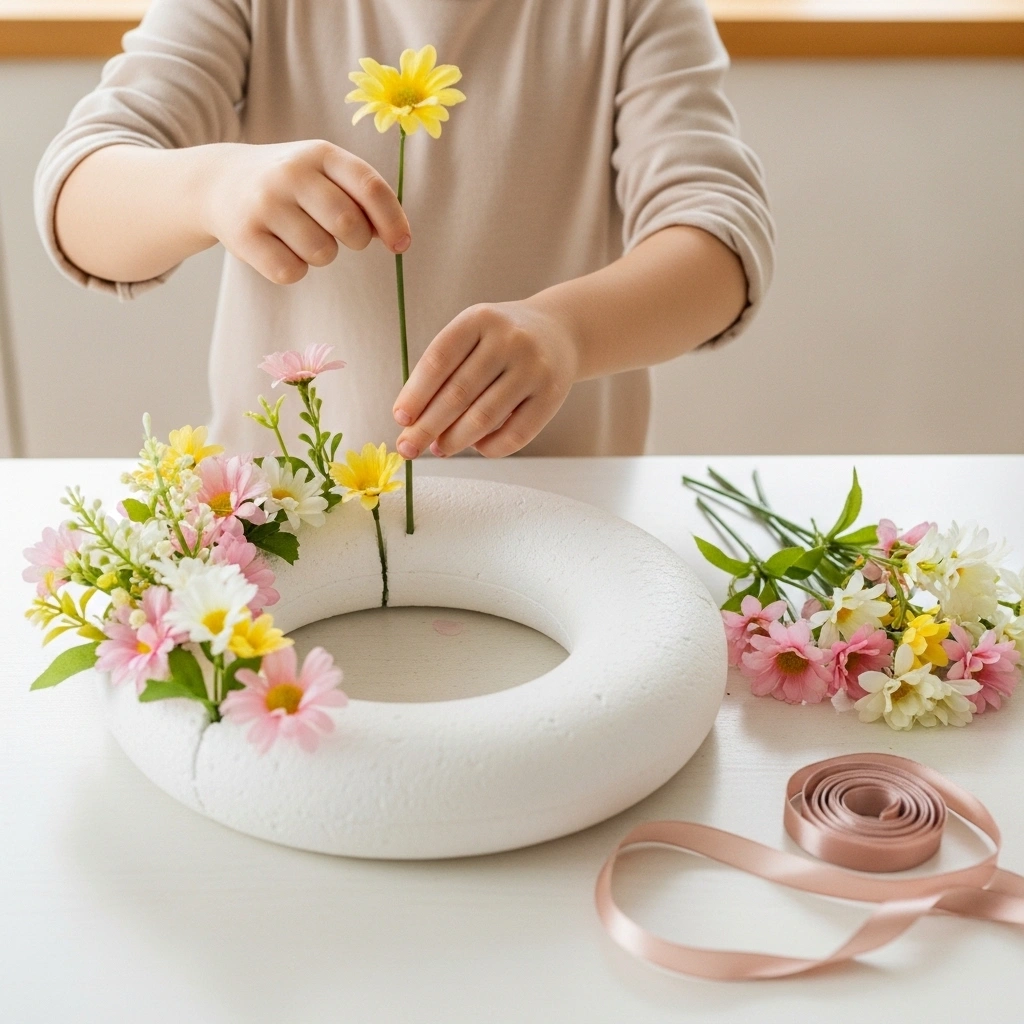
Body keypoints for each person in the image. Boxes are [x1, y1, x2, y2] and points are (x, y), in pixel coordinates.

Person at [36, 0, 773, 460]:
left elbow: (718, 239)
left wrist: (566, 331)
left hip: (559, 517)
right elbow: (78, 197)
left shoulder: (637, 9)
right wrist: (212, 184)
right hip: (286, 523)